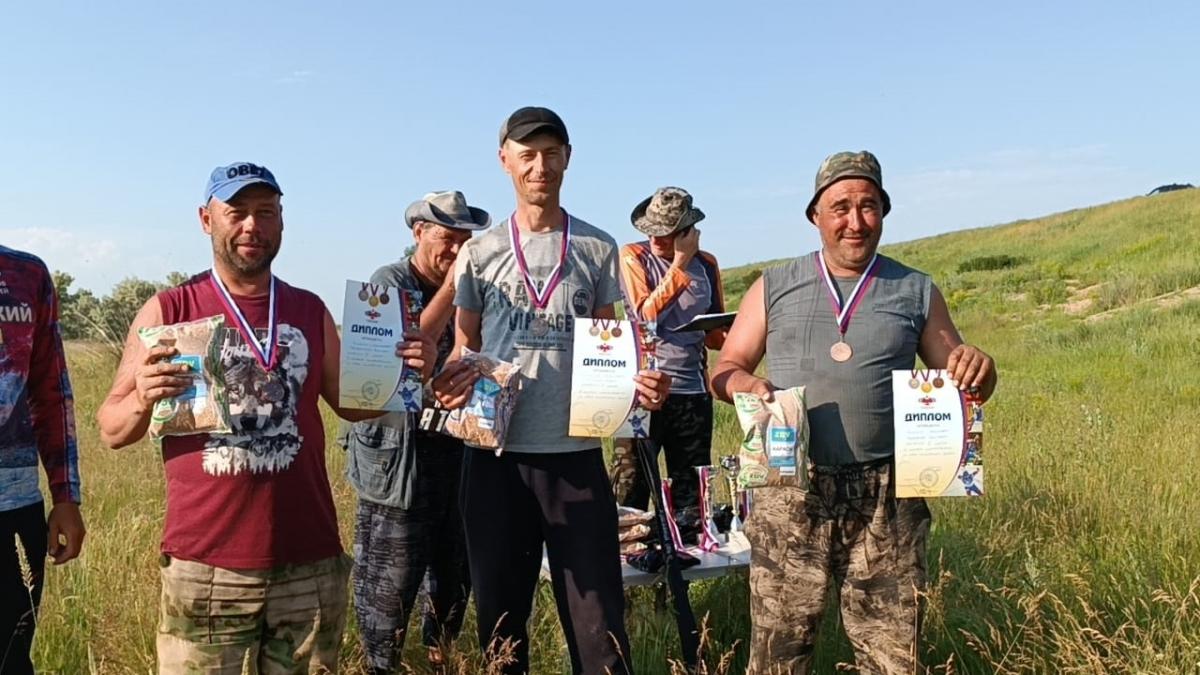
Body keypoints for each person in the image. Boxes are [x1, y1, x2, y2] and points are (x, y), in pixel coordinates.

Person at [96, 162, 433, 674]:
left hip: (308, 564)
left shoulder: (309, 309)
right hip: (207, 569)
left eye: (266, 212)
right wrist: (142, 397)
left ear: (282, 221)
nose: (252, 225)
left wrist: (409, 374)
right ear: (206, 219)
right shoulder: (170, 309)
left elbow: (351, 404)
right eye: (237, 212)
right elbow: (110, 428)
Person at [711, 151, 997, 674]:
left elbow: (964, 380)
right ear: (815, 215)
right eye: (840, 207)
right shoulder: (774, 285)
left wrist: (980, 368)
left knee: (894, 658)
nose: (856, 221)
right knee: (777, 655)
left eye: (868, 206)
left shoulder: (915, 290)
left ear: (883, 212)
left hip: (887, 496)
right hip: (792, 490)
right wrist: (746, 384)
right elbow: (724, 368)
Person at [432, 107, 671, 675]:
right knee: (501, 626)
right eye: (527, 154)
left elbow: (612, 343)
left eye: (551, 153)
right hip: (495, 461)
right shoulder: (479, 252)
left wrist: (642, 385)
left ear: (567, 158)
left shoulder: (596, 246)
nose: (540, 166)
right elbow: (465, 345)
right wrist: (449, 382)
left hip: (576, 458)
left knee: (599, 630)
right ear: (505, 160)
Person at [340, 191, 489, 674]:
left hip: (456, 452)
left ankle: (440, 659)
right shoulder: (387, 285)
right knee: (390, 580)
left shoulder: (474, 289)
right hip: (398, 459)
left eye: (465, 242)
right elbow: (399, 359)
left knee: (453, 574)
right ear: (419, 232)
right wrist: (453, 285)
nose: (457, 250)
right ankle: (379, 666)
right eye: (448, 239)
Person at [614, 187, 726, 541]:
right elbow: (643, 315)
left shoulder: (707, 264)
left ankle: (687, 559)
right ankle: (628, 565)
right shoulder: (632, 256)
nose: (655, 239)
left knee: (690, 494)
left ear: (687, 231)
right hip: (641, 393)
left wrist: (737, 329)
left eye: (665, 232)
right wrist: (678, 264)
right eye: (650, 230)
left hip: (692, 392)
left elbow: (715, 336)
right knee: (629, 491)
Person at [0, 246, 85, 675]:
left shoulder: (26, 274)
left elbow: (51, 390)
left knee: (10, 659)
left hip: (13, 506)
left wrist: (65, 495)